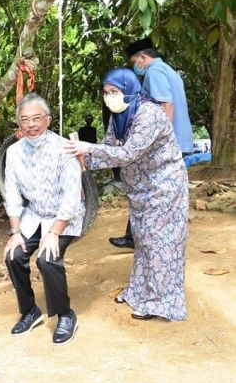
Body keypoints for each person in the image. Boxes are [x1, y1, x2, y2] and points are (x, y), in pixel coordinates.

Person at [65, 68, 188, 321]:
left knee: (160, 243)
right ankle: (140, 293)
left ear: (129, 89)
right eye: (106, 93)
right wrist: (81, 160)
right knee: (143, 242)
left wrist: (89, 148)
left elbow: (129, 153)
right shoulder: (119, 116)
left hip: (164, 187)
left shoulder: (149, 114)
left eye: (114, 92)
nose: (109, 97)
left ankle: (161, 302)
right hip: (140, 189)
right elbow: (110, 151)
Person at [3, 93, 84, 345]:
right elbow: (12, 192)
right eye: (24, 119)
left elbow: (72, 197)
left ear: (47, 120)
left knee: (48, 259)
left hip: (63, 217)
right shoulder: (14, 152)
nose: (31, 125)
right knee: (13, 255)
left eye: (37, 118)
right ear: (19, 122)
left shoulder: (65, 149)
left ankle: (65, 314)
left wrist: (54, 232)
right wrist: (15, 232)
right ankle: (30, 311)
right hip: (33, 215)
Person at [110, 38, 192, 250]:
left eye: (134, 61)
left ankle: (142, 237)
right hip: (177, 140)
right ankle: (139, 236)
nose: (134, 66)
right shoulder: (171, 72)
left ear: (143, 58)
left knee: (146, 189)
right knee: (156, 190)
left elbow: (165, 106)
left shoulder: (154, 72)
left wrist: (155, 142)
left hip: (165, 145)